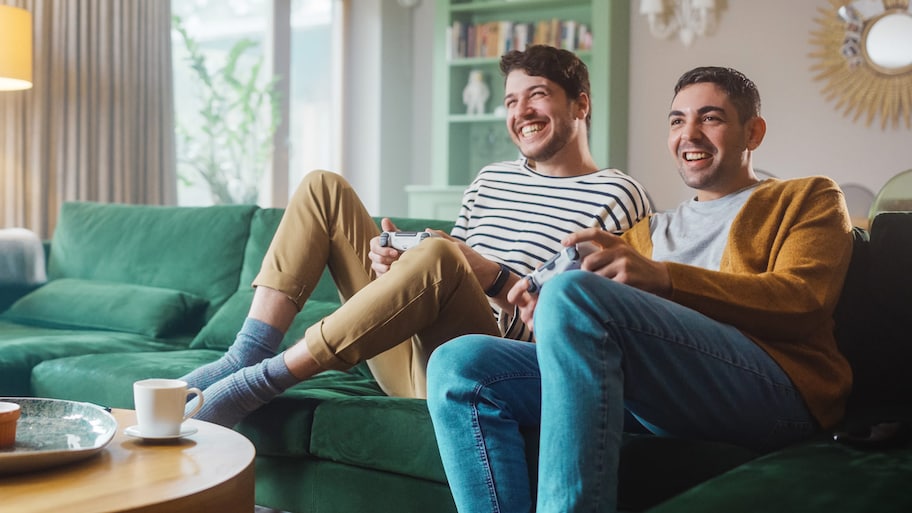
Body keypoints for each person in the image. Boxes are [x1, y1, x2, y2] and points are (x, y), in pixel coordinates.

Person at [426, 66, 855, 513]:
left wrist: (666, 279)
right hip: (657, 393)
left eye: (710, 118)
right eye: (677, 121)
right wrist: (547, 309)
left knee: (573, 293)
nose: (689, 134)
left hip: (774, 391)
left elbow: (803, 301)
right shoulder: (644, 232)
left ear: (753, 131)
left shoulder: (807, 197)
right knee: (460, 364)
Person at [179, 44, 651, 428]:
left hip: (487, 364)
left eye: (538, 95)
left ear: (581, 104)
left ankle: (258, 383)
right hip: (407, 348)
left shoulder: (619, 196)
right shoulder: (489, 180)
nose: (521, 111)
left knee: (442, 254)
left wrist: (480, 270)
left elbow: (585, 328)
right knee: (324, 188)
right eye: (510, 101)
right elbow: (438, 276)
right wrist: (396, 267)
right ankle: (244, 355)